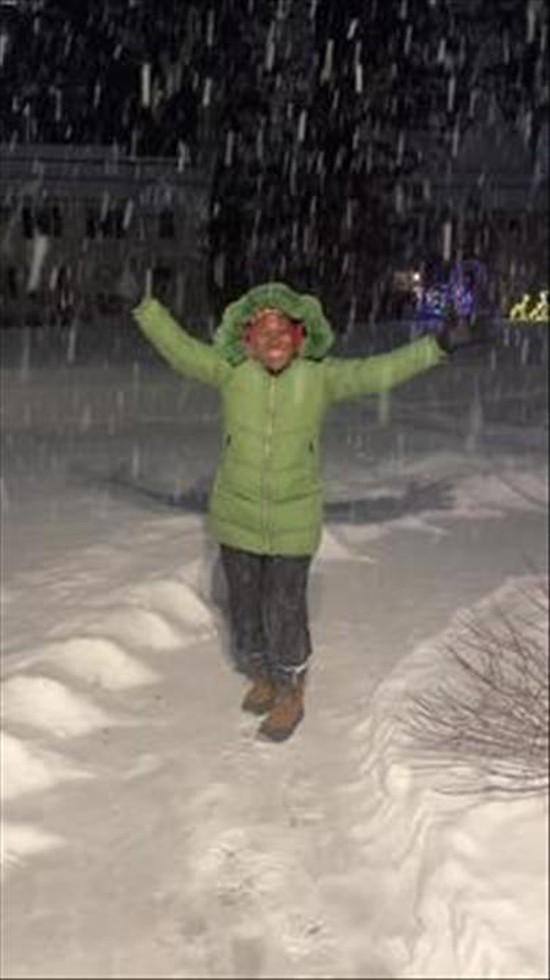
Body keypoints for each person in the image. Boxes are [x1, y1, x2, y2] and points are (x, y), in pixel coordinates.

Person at [132, 281, 468, 742]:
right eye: (262, 332)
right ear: (245, 340)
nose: (273, 340)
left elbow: (379, 371)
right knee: (245, 611)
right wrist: (145, 308)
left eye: (282, 330)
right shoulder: (231, 372)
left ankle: (291, 691)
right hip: (236, 518)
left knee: (285, 609)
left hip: (294, 520)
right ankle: (262, 675)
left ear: (301, 337)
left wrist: (438, 346)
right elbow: (181, 351)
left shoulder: (319, 377)